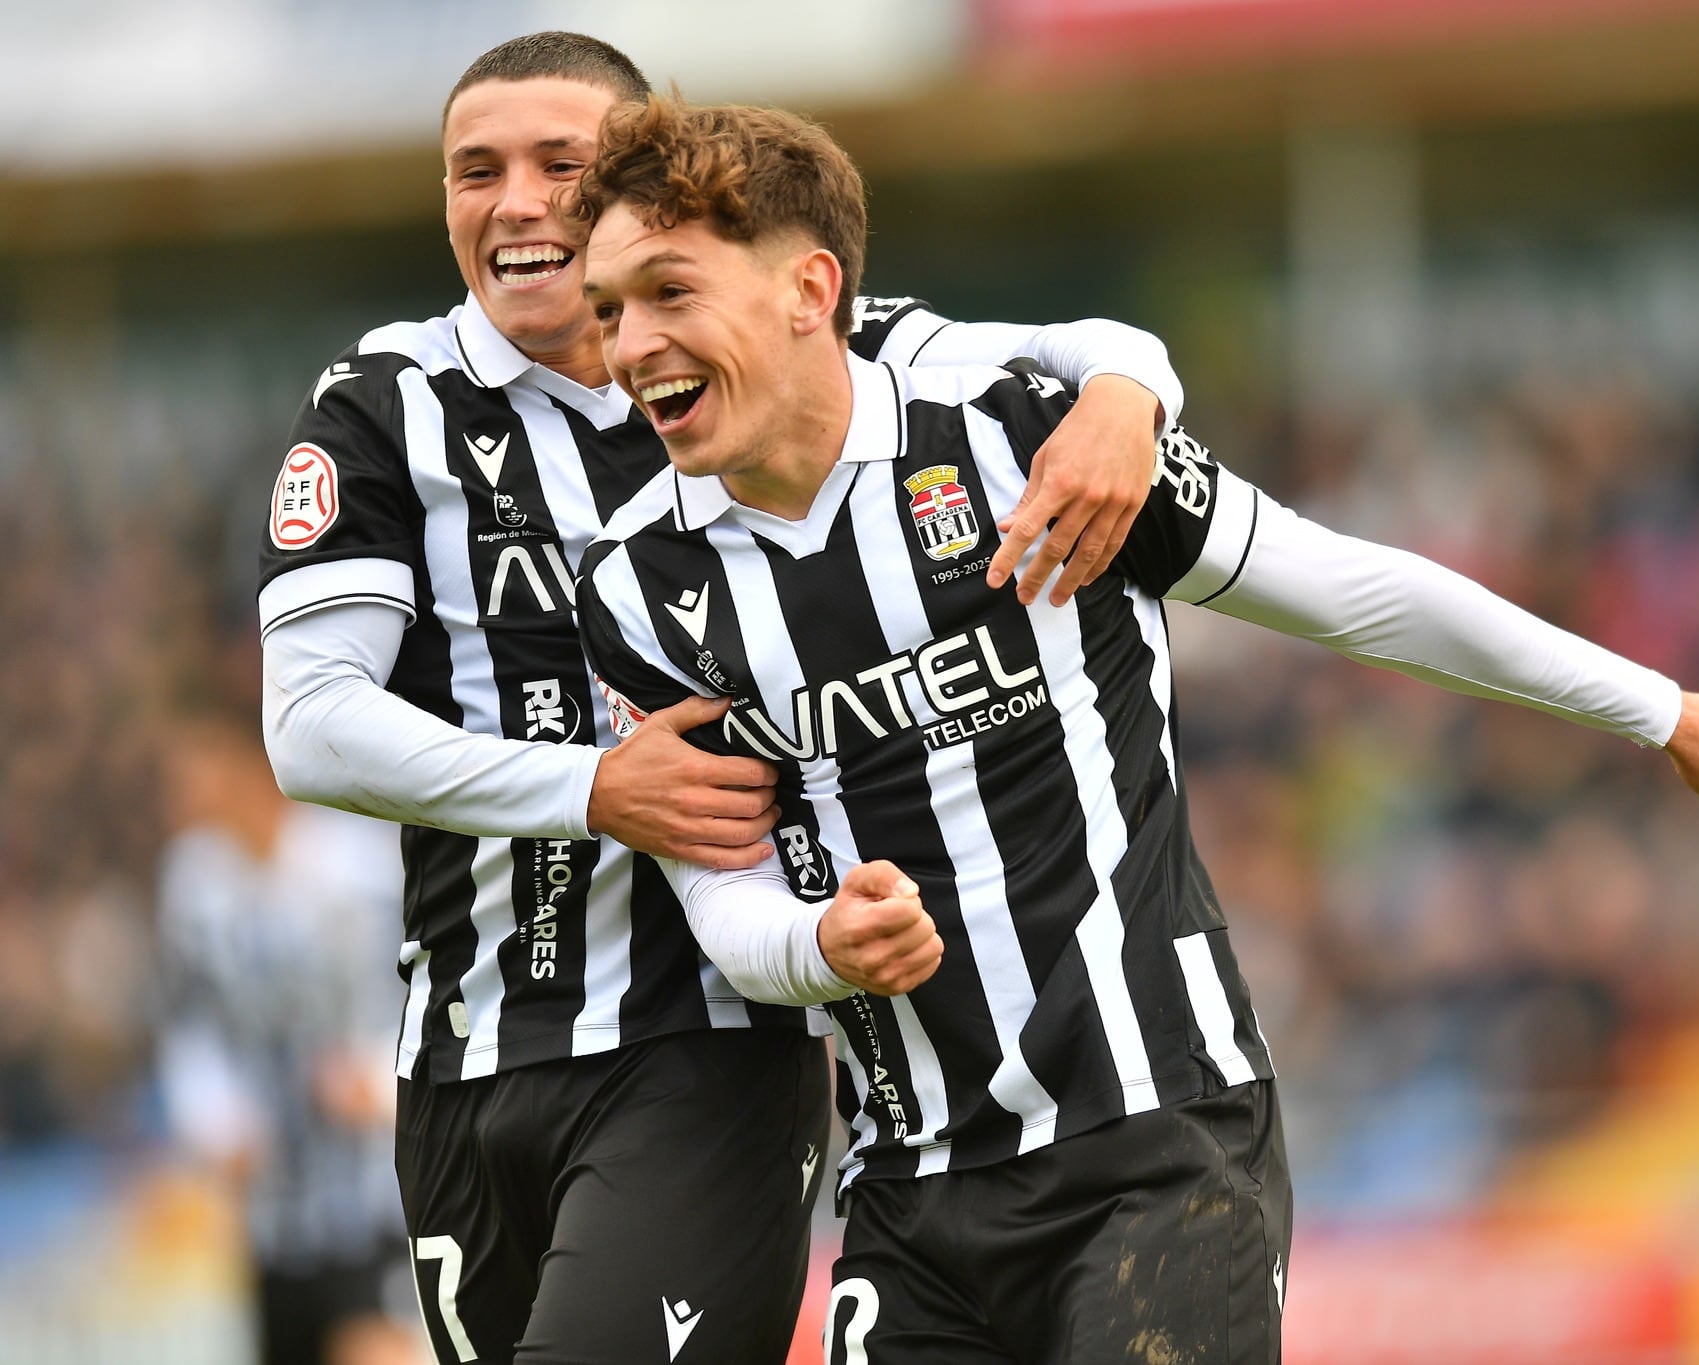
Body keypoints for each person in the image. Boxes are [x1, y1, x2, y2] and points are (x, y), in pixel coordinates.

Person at [569, 97, 1699, 1365]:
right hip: (907, 1196)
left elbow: (1351, 591)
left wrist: (1661, 710)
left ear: (809, 290)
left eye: (668, 291)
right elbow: (723, 899)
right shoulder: (631, 588)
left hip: (1157, 1146)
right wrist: (819, 945)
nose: (630, 345)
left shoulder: (1021, 438)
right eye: (607, 311)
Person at [256, 31, 1188, 1365]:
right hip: (463, 1055)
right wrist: (594, 789)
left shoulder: (761, 354)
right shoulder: (383, 405)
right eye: (475, 171)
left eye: (559, 164)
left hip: (710, 1037)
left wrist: (1129, 395)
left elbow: (1070, 347)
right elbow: (308, 725)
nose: (515, 203)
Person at [156, 714, 425, 1365]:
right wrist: (216, 1120)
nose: (180, 792)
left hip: (374, 1189)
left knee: (372, 1348)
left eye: (197, 769)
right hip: (274, 1211)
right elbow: (187, 1023)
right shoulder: (193, 885)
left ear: (251, 765)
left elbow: (427, 987)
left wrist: (379, 1082)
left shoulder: (361, 868)